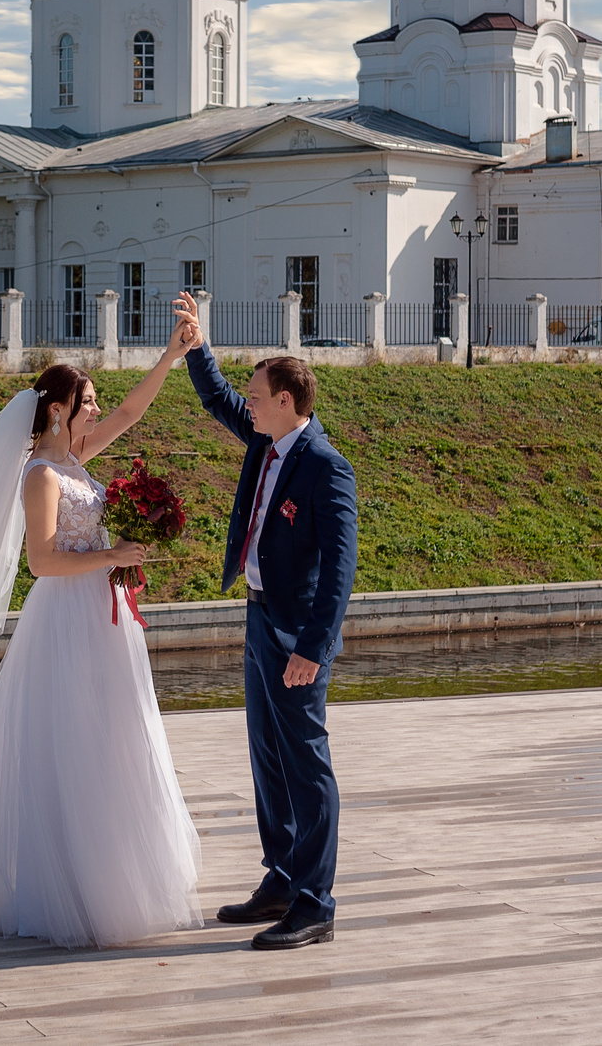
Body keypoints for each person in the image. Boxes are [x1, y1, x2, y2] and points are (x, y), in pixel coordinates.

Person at [0, 341, 203, 947]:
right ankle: (71, 888)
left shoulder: (76, 458)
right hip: (66, 615)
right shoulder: (42, 474)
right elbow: (43, 562)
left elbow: (129, 416)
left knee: (118, 733)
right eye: (86, 402)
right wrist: (112, 555)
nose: (97, 411)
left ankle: (118, 873)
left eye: (94, 401)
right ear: (54, 412)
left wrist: (172, 357)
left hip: (104, 611)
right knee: (74, 741)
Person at [171, 289, 356, 951]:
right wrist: (199, 347)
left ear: (287, 400)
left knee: (306, 764)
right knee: (268, 760)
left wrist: (312, 646)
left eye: (258, 393)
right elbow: (220, 398)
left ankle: (316, 901)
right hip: (257, 621)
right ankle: (280, 878)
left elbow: (339, 571)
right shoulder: (266, 437)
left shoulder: (326, 468)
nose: (248, 400)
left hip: (295, 635)